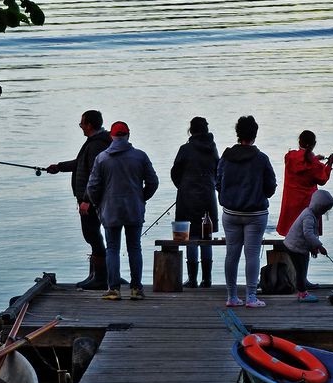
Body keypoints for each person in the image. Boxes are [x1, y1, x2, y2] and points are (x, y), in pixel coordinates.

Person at [86, 121, 159, 301]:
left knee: (112, 249)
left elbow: (92, 187)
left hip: (110, 210)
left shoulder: (102, 158)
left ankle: (114, 290)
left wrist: (98, 205)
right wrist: (142, 197)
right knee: (135, 247)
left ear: (112, 136)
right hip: (134, 208)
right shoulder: (140, 157)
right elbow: (153, 182)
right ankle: (136, 289)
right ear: (128, 135)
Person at [46, 110, 112, 290]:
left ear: (89, 125)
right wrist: (59, 167)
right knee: (96, 235)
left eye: (82, 123)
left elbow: (94, 174)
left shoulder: (96, 145)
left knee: (92, 235)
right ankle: (105, 276)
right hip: (92, 198)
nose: (81, 126)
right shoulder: (95, 143)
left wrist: (86, 200)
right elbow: (80, 163)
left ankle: (101, 279)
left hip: (90, 200)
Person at [216, 115, 277, 309]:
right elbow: (271, 187)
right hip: (256, 214)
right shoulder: (261, 158)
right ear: (255, 134)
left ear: (237, 134)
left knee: (231, 254)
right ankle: (251, 297)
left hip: (230, 212)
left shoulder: (226, 157)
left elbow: (218, 182)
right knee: (252, 254)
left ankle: (232, 297)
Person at [170, 116, 219, 288]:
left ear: (191, 130)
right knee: (207, 235)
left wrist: (183, 185)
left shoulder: (185, 149)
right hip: (208, 196)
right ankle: (207, 279)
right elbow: (218, 171)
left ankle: (192, 279)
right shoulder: (212, 149)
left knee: (190, 236)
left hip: (187, 196)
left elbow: (175, 172)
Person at [276, 130, 333, 237]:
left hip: (290, 204)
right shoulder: (314, 164)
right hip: (307, 205)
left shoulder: (289, 157)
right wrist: (330, 163)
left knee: (290, 233)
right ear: (314, 144)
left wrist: (314, 159)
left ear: (299, 142)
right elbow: (322, 179)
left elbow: (302, 160)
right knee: (307, 234)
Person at [283, 189, 333, 303]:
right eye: (323, 210)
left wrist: (313, 248)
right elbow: (308, 234)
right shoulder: (308, 216)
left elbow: (312, 234)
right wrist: (320, 246)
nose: (324, 213)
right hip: (295, 247)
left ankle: (304, 283)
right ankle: (302, 293)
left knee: (304, 265)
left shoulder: (311, 213)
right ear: (318, 206)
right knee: (300, 269)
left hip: (299, 246)